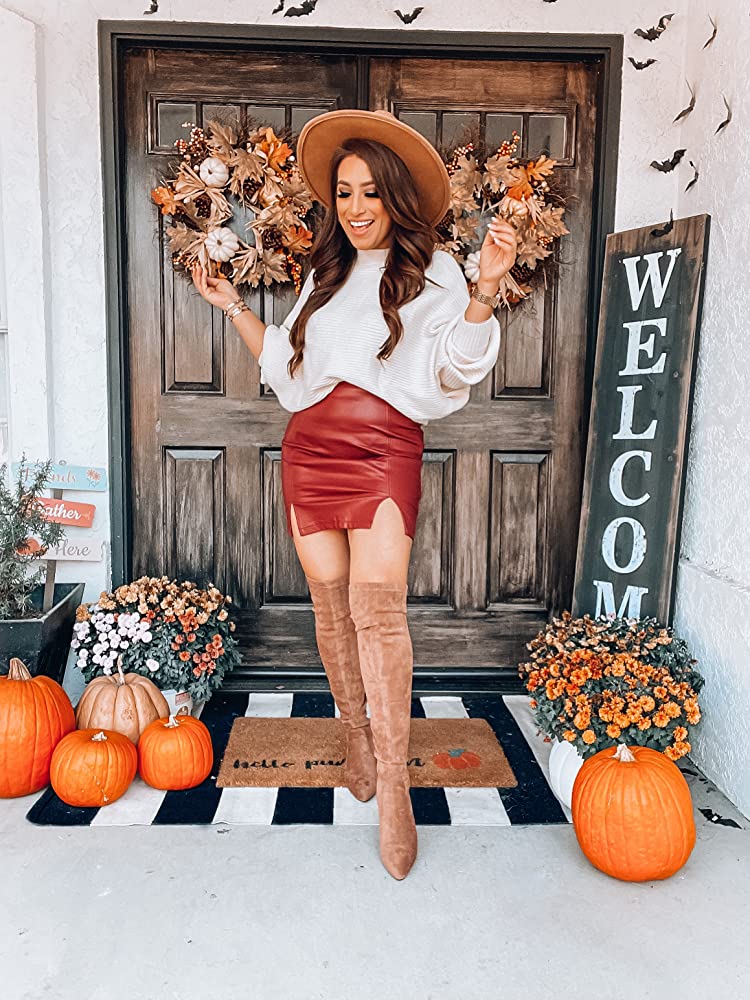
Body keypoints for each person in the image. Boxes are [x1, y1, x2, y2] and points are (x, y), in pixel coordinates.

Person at [190, 109, 517, 880]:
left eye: (371, 192)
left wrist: (486, 292)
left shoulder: (431, 268)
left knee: (379, 611)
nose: (357, 207)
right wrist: (234, 307)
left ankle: (397, 789)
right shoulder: (323, 275)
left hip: (382, 451)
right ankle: (355, 737)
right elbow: (289, 371)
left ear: (394, 197)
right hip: (310, 451)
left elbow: (454, 371)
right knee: (331, 612)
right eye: (344, 193)